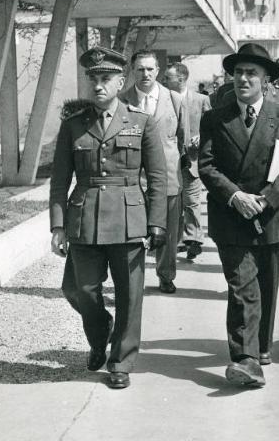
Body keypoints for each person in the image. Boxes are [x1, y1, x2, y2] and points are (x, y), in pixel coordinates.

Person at [50, 46, 167, 389]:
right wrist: (58, 226)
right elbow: (59, 180)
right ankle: (100, 334)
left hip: (129, 217)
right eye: (94, 80)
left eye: (106, 79)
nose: (98, 86)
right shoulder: (73, 126)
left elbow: (158, 177)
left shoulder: (141, 122)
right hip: (84, 216)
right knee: (79, 290)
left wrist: (157, 222)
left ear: (121, 82)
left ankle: (121, 362)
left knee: (130, 293)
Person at [199, 43, 279, 387]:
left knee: (267, 284)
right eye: (238, 73)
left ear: (266, 80)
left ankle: (260, 347)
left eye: (251, 73)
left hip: (273, 214)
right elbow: (207, 165)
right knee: (242, 285)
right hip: (231, 215)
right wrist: (234, 196)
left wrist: (264, 199)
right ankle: (245, 357)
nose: (243, 79)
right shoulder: (215, 116)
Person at [120, 50, 184, 294]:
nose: (145, 74)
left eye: (150, 69)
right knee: (131, 232)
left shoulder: (175, 99)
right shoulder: (122, 101)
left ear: (158, 71)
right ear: (132, 71)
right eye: (140, 69)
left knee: (168, 232)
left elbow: (183, 139)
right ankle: (130, 283)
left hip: (167, 176)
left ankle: (166, 275)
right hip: (133, 177)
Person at [165, 62, 211, 260]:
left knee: (191, 201)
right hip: (169, 160)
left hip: (192, 159)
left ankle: (194, 239)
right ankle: (177, 241)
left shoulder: (201, 100)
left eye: (168, 78)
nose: (164, 81)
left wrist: (201, 135)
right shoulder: (163, 100)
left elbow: (212, 125)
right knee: (174, 203)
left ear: (181, 79)